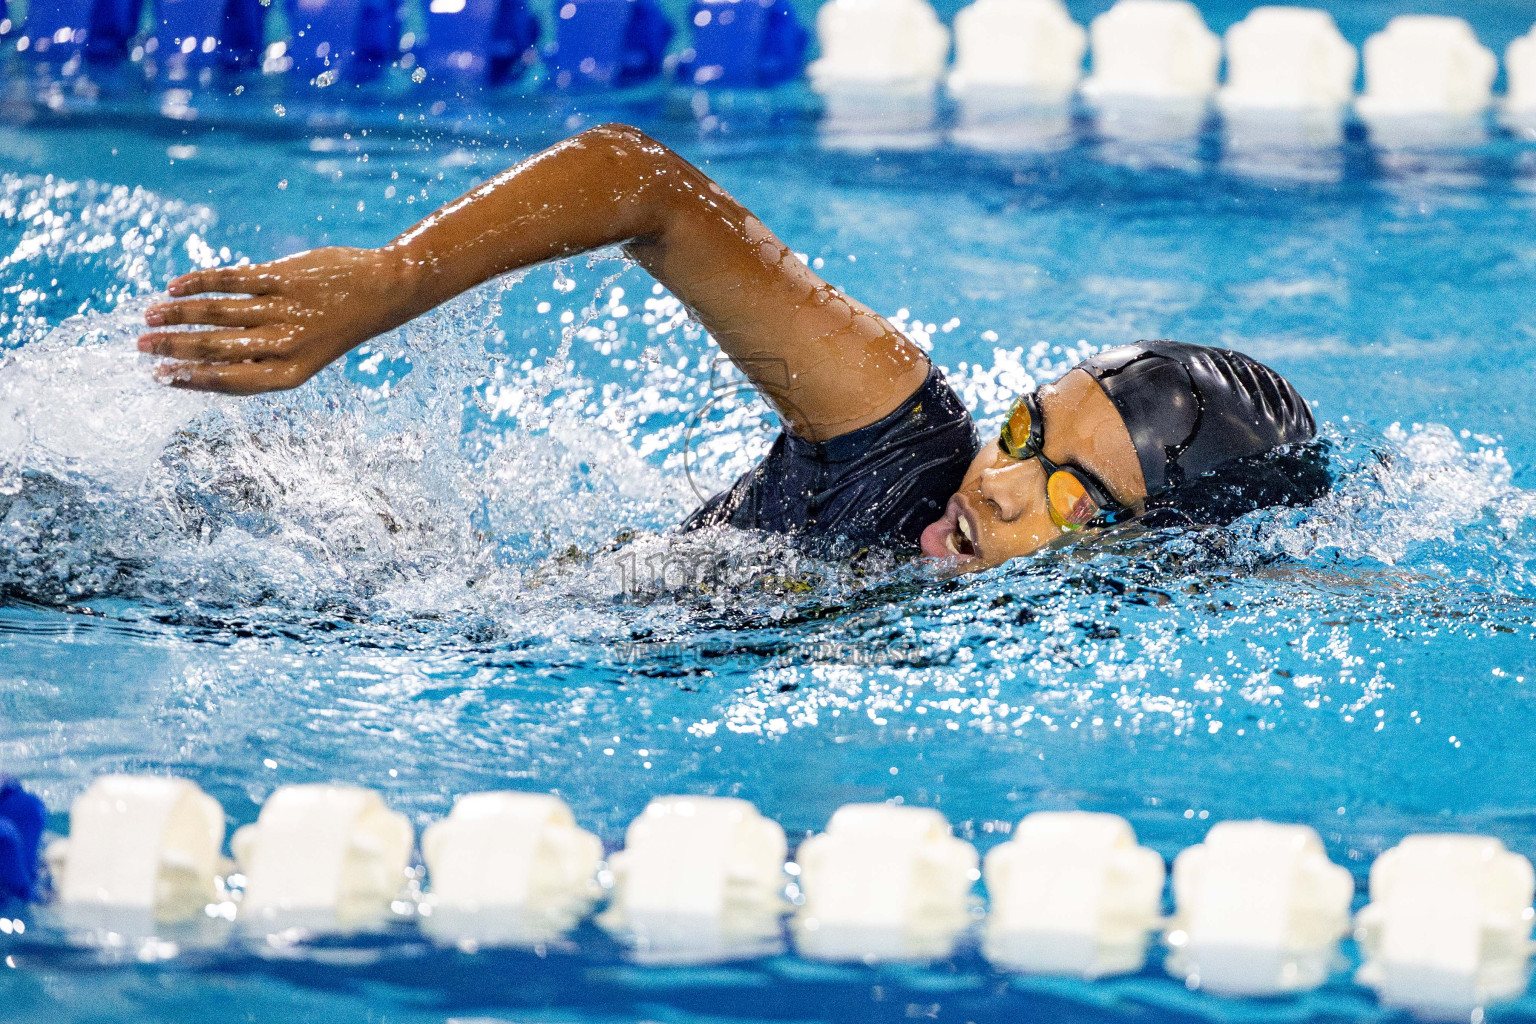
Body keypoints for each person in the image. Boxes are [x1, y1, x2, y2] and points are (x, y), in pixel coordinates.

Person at [137, 124, 1323, 574]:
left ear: (1157, 560)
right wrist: (390, 282)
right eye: (1025, 431)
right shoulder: (897, 442)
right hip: (371, 589)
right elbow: (636, 184)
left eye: (1068, 495)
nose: (996, 487)